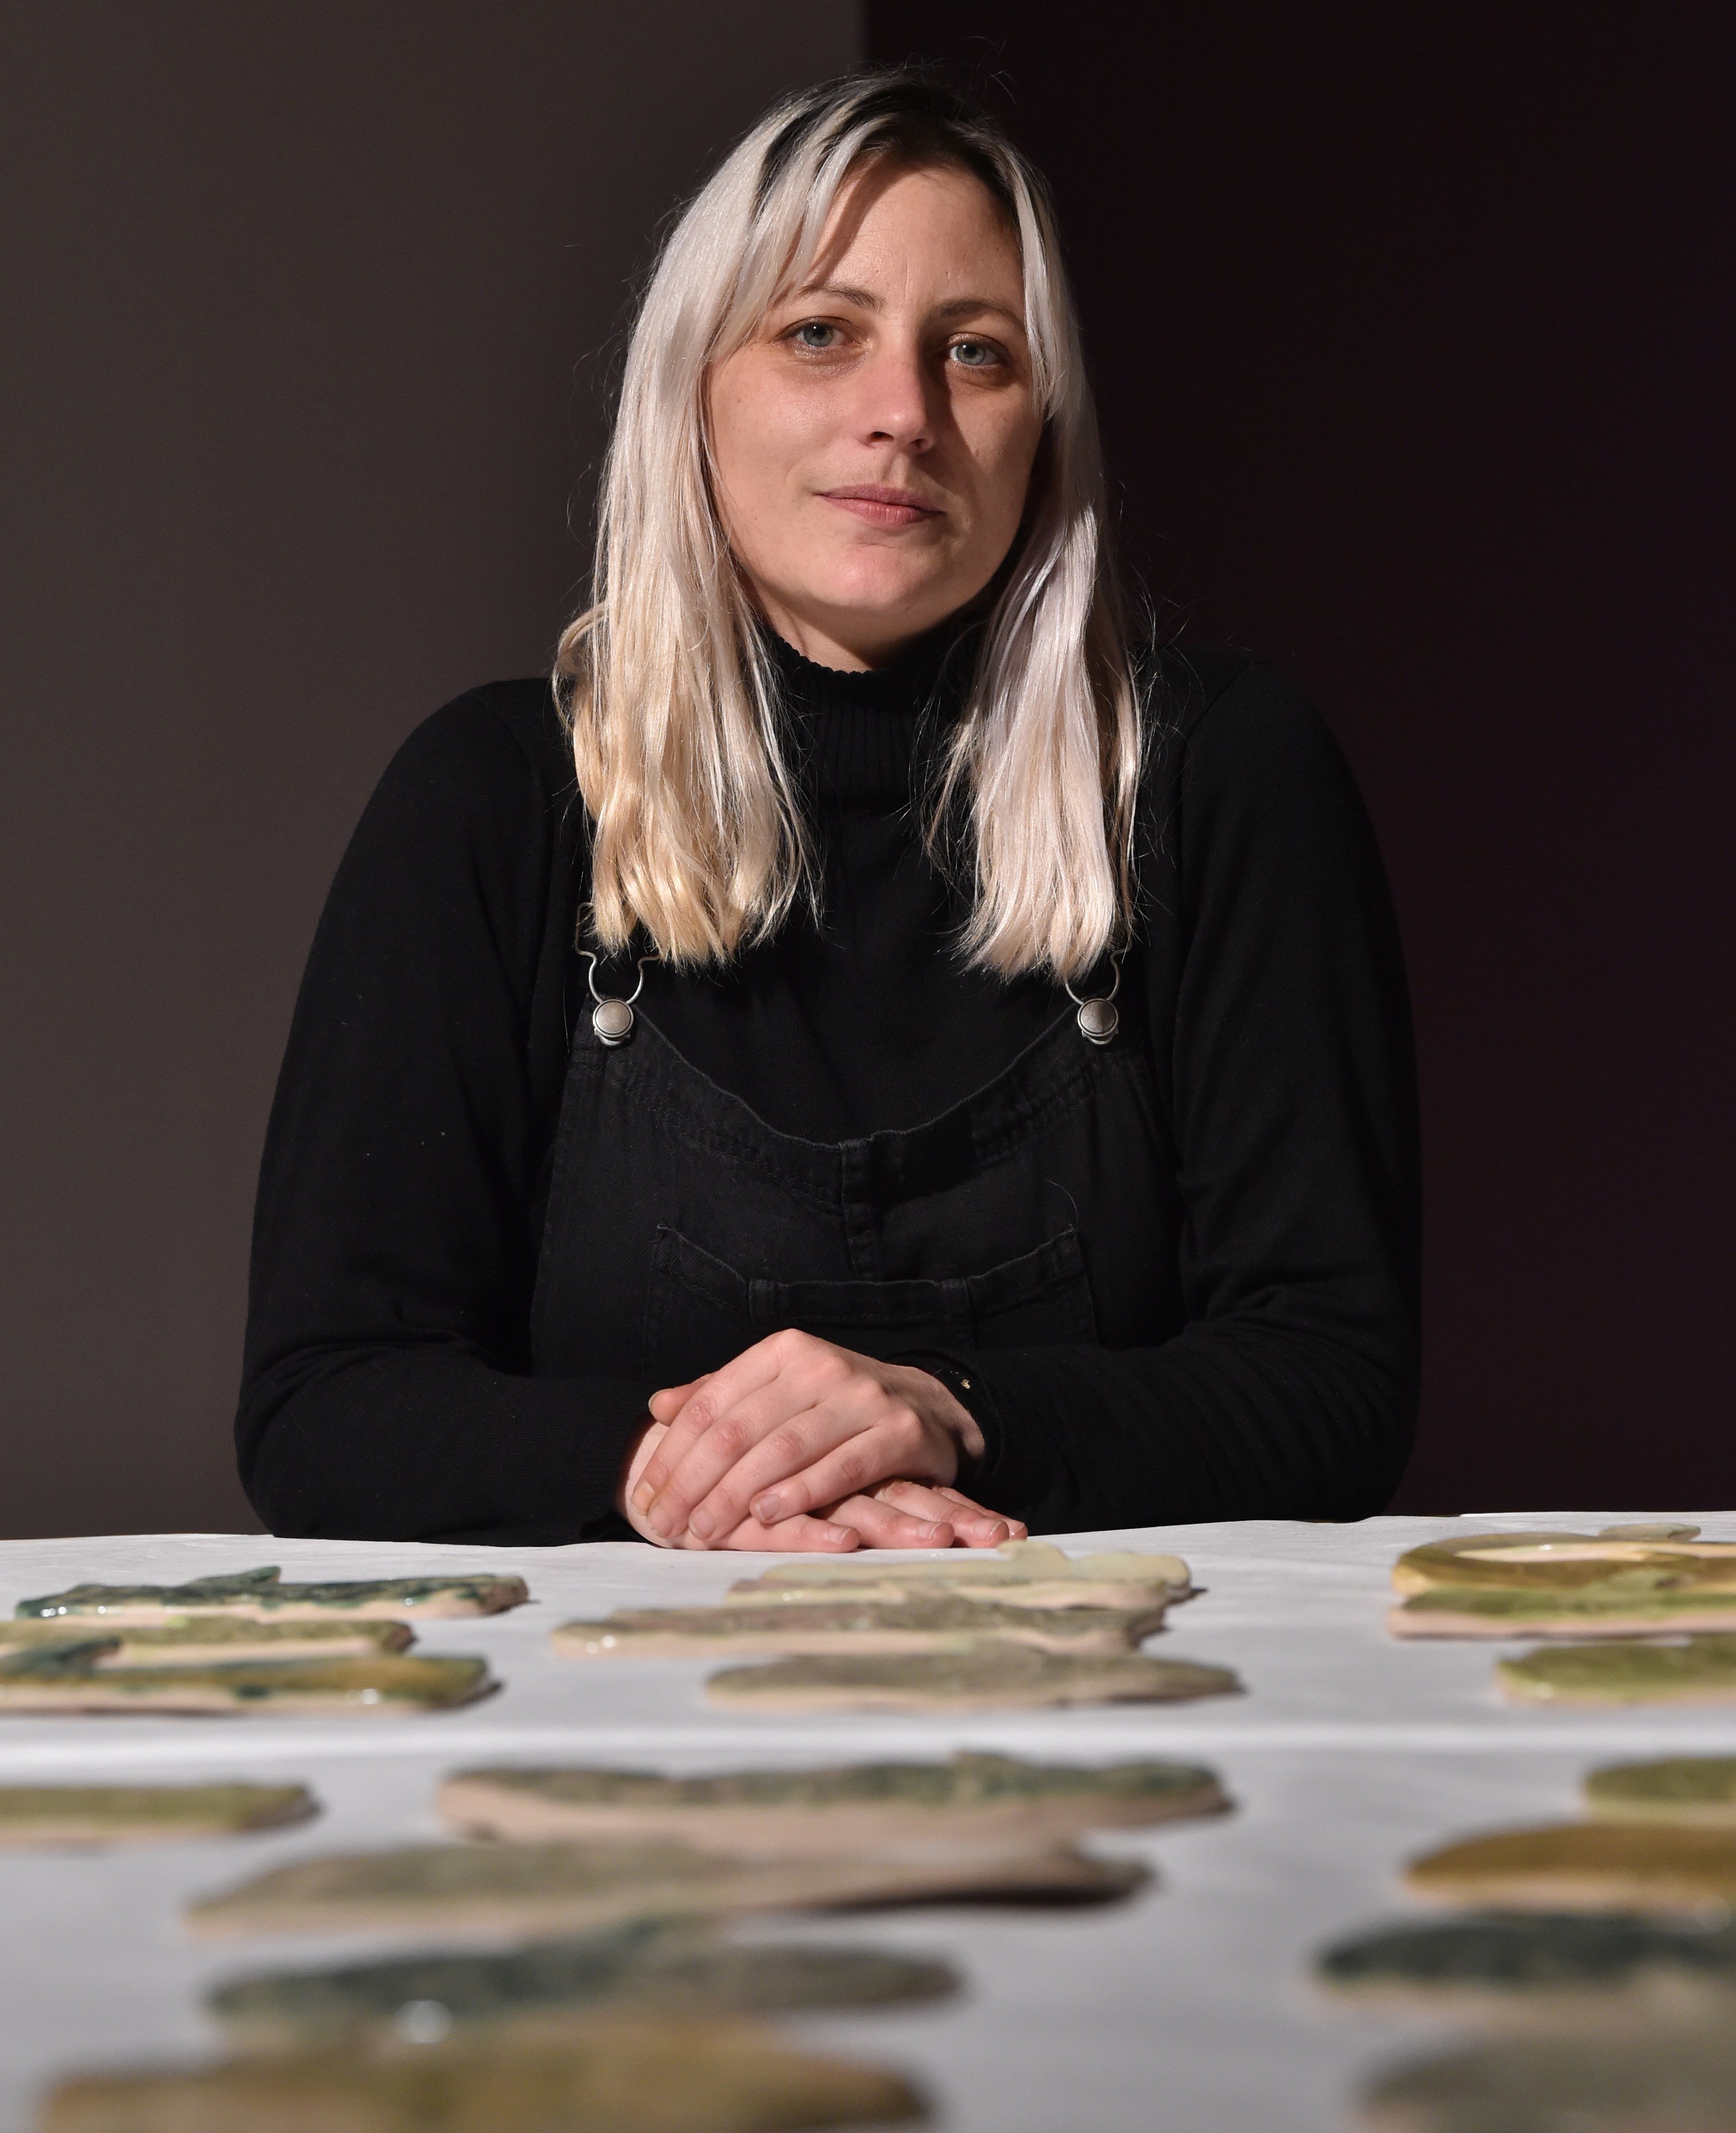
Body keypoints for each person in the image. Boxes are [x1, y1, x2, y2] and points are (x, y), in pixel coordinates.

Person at [237, 69, 1419, 1553]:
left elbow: (1332, 1382)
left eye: (975, 354)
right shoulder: (497, 800)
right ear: (695, 396)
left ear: (1040, 429)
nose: (903, 416)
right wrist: (705, 1486)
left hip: (1110, 1717)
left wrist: (951, 1410)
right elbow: (323, 1409)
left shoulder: (1214, 774)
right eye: (821, 334)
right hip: (612, 1736)